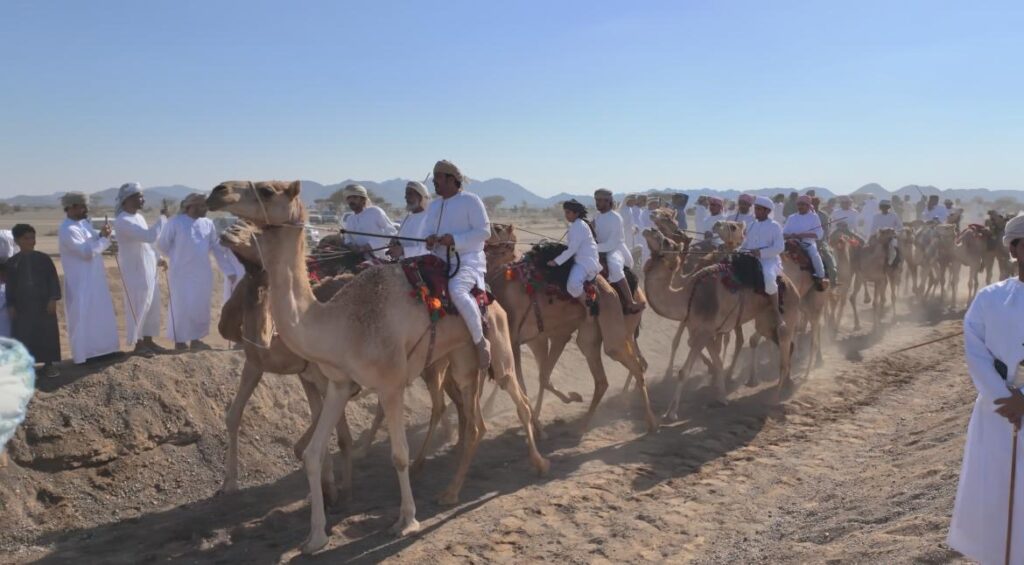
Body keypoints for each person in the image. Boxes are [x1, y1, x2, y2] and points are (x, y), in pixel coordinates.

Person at [948, 213, 1024, 564]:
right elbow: (976, 353)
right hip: (998, 415)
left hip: (1012, 407)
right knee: (997, 490)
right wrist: (1005, 398)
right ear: (1014, 248)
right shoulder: (990, 298)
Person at [422, 160, 492, 369]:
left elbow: (484, 232)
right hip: (438, 258)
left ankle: (480, 342)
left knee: (456, 290)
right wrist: (429, 239)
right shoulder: (434, 205)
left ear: (451, 179)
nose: (434, 182)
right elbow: (427, 232)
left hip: (468, 260)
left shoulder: (471, 200)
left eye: (438, 178)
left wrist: (455, 239)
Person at [157, 193, 235, 351]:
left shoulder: (208, 223)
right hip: (181, 274)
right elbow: (162, 245)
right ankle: (180, 341)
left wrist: (229, 270)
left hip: (202, 274)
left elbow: (216, 248)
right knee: (181, 307)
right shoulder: (175, 222)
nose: (206, 209)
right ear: (191, 206)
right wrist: (178, 256)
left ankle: (196, 340)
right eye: (203, 206)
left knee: (199, 307)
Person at [57, 192, 120, 364]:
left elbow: (93, 241)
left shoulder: (84, 224)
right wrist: (105, 240)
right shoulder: (68, 230)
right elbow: (86, 252)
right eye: (82, 206)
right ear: (71, 207)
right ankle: (87, 355)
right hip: (80, 282)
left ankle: (106, 350)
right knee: (83, 317)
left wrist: (102, 234)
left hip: (95, 279)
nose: (86, 209)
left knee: (100, 314)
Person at [112, 183, 169, 357]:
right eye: (139, 196)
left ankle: (149, 341)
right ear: (128, 199)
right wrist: (162, 219)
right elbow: (149, 236)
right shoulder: (123, 221)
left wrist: (158, 258)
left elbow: (148, 243)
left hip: (149, 268)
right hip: (135, 271)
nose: (143, 200)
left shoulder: (139, 217)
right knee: (138, 306)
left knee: (151, 305)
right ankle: (139, 344)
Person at [5, 225, 61, 377]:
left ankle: (49, 365)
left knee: (47, 335)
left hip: (44, 306)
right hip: (22, 307)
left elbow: (53, 280)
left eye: (33, 238)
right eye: (26, 238)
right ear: (17, 241)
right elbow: (10, 286)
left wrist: (53, 299)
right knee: (23, 335)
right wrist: (10, 305)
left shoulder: (44, 259)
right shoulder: (12, 262)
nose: (31, 241)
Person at [740, 196, 787, 332]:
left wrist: (761, 253)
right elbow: (746, 244)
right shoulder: (751, 225)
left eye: (759, 209)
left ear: (767, 211)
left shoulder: (775, 226)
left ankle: (776, 312)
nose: (756, 211)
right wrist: (738, 250)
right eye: (756, 208)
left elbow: (779, 247)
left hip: (769, 260)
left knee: (768, 278)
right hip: (750, 258)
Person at [594, 188, 644, 313]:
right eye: (596, 200)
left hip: (616, 250)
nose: (597, 203)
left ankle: (630, 301)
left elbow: (612, 243)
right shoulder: (597, 216)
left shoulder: (616, 218)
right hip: (599, 248)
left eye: (600, 200)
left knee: (615, 267)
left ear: (608, 201)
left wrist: (593, 247)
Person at [548, 200, 601, 303]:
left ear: (576, 213)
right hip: (580, 259)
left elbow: (572, 249)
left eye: (568, 212)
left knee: (573, 286)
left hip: (585, 262)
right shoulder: (576, 224)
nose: (566, 215)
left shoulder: (579, 226)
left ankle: (587, 302)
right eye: (565, 212)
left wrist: (556, 261)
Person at [783, 195, 828, 291]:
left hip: (808, 243)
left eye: (803, 204)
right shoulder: (792, 217)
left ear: (808, 205)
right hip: (791, 242)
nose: (800, 206)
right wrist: (790, 235)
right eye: (799, 204)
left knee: (815, 256)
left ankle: (820, 277)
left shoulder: (814, 217)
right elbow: (784, 232)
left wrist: (803, 235)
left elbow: (819, 234)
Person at [341, 183, 396, 260]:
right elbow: (348, 239)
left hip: (380, 259)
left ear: (363, 199)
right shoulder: (350, 219)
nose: (351, 200)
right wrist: (352, 246)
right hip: (359, 259)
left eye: (355, 197)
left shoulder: (375, 212)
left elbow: (391, 233)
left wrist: (369, 246)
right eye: (349, 198)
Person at [389, 181, 430, 259]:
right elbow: (401, 240)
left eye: (410, 194)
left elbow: (430, 249)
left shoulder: (429, 218)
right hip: (401, 261)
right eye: (406, 194)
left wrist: (404, 251)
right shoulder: (407, 217)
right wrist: (395, 241)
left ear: (420, 197)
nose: (406, 197)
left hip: (419, 263)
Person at [869, 200, 903, 266]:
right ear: (880, 208)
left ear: (888, 207)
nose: (884, 208)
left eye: (885, 207)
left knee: (896, 247)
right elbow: (873, 228)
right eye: (882, 207)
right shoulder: (876, 216)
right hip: (880, 237)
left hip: (891, 237)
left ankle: (897, 263)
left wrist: (894, 232)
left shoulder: (894, 215)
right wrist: (871, 237)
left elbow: (900, 227)